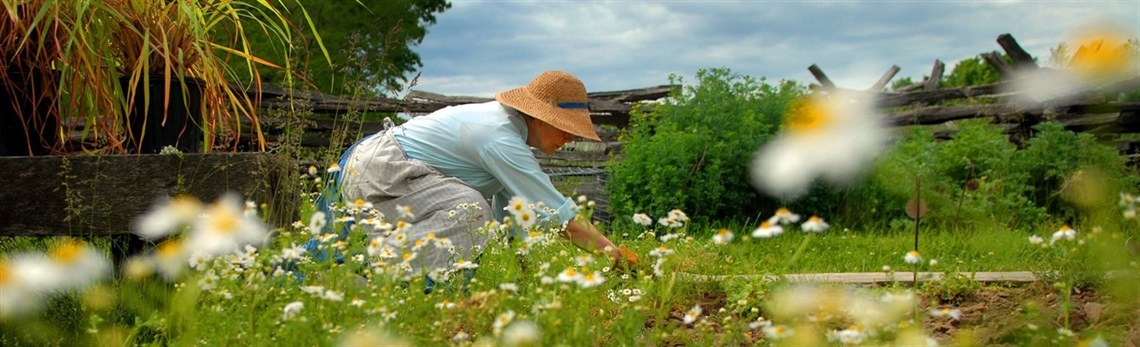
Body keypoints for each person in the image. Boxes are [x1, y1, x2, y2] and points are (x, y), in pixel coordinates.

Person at [312, 70, 634, 291]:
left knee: (475, 217)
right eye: (565, 126)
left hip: (378, 164)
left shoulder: (507, 134)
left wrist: (522, 275)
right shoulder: (500, 139)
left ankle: (360, 272)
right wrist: (615, 255)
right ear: (538, 116)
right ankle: (373, 279)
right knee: (471, 212)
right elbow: (561, 218)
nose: (568, 138)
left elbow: (516, 215)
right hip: (382, 172)